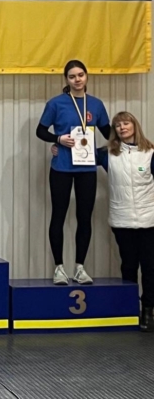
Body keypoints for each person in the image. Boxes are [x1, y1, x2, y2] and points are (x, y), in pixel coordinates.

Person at [36, 60, 110, 285]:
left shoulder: (96, 104)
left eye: (80, 75)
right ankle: (59, 268)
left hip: (87, 169)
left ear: (86, 76)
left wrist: (133, 142)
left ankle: (80, 267)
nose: (77, 80)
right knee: (58, 215)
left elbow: (108, 133)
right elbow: (41, 131)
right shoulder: (56, 103)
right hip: (62, 167)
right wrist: (58, 139)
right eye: (72, 76)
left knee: (84, 217)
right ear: (66, 80)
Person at [97, 111, 154, 332]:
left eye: (126, 123)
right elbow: (80, 154)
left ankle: (148, 309)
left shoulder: (150, 153)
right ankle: (130, 311)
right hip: (121, 220)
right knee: (128, 266)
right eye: (118, 125)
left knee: (150, 267)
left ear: (134, 125)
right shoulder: (107, 154)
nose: (122, 127)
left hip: (149, 220)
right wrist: (57, 148)